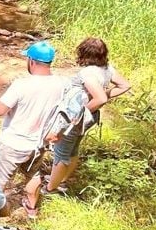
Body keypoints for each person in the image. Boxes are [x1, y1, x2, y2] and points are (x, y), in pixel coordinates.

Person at [22, 37, 131, 215]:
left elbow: (100, 99)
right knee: (73, 150)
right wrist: (105, 95)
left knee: (62, 153)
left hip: (75, 119)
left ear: (84, 53)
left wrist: (81, 111)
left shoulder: (88, 73)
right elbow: (124, 85)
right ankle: (61, 180)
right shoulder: (106, 69)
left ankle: (50, 189)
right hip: (90, 118)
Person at [0, 41, 67, 192]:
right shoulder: (62, 83)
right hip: (38, 144)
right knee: (33, 176)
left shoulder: (21, 84)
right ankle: (32, 211)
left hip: (13, 143)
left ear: (31, 61)